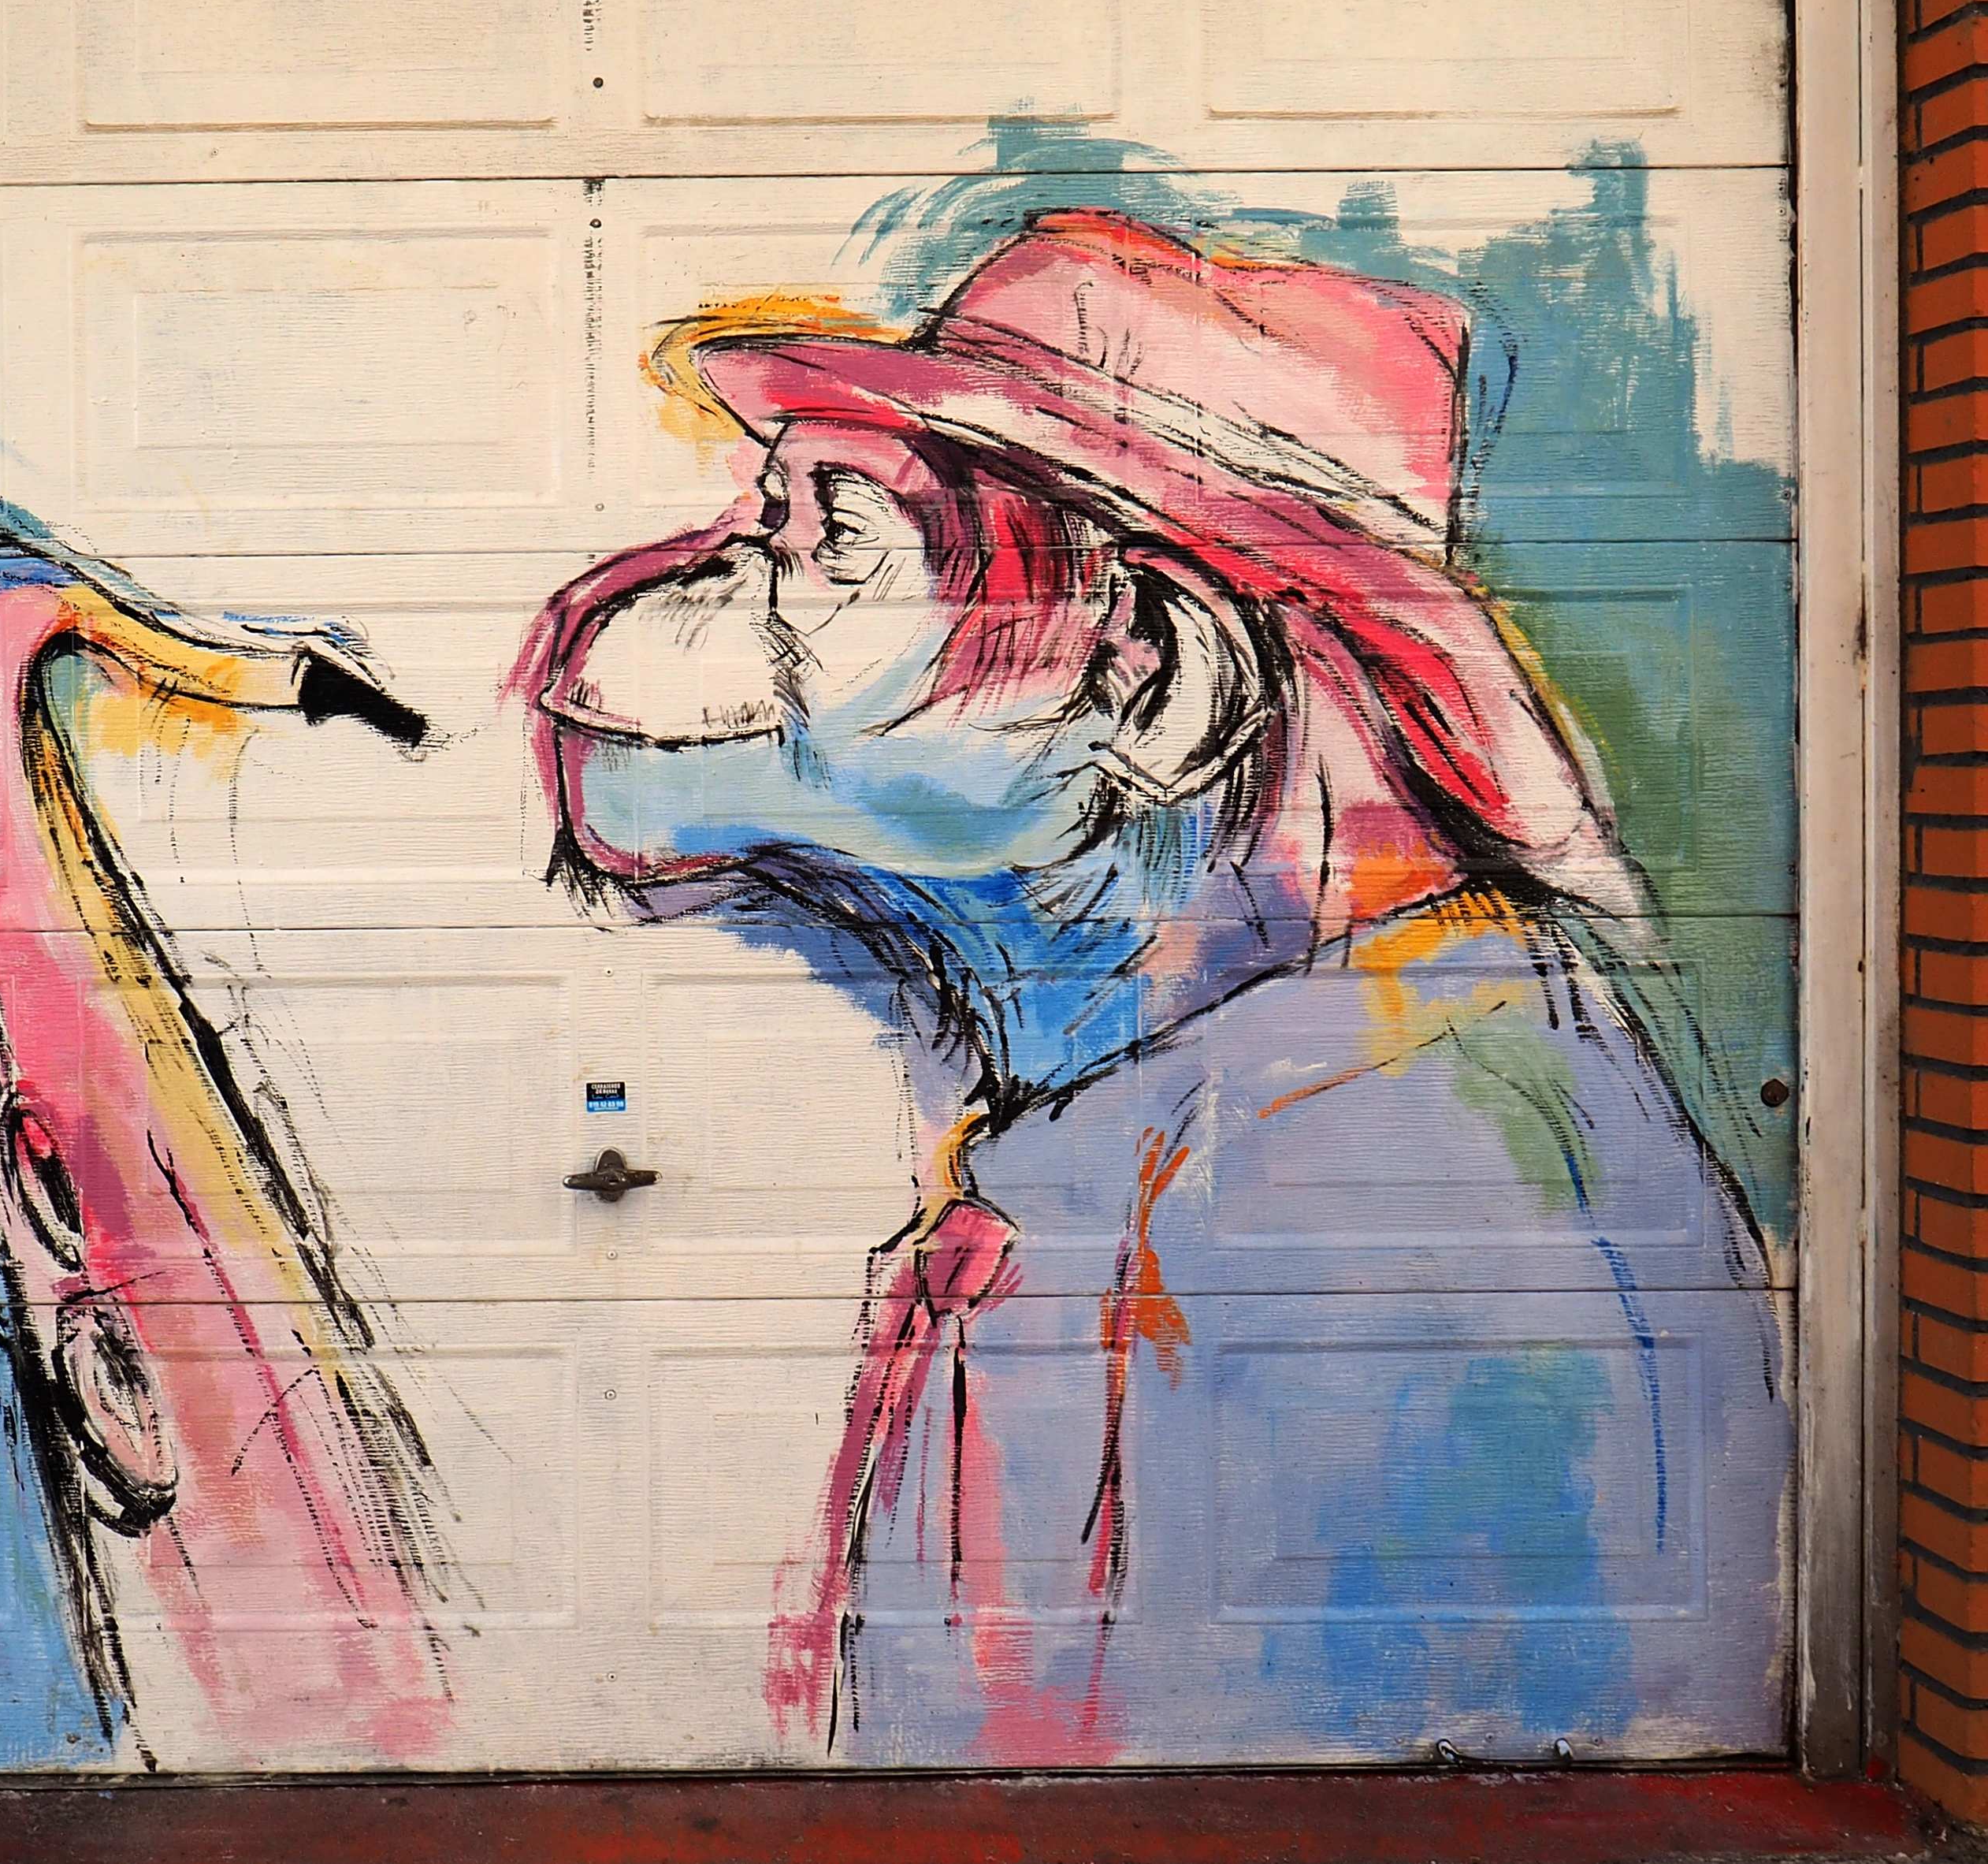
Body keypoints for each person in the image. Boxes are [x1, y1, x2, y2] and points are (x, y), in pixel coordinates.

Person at [515, 210, 1792, 1765]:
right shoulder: (1187, 1119)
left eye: (831, 539)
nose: (713, 583)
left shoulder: (1396, 1198)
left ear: (1151, 677)